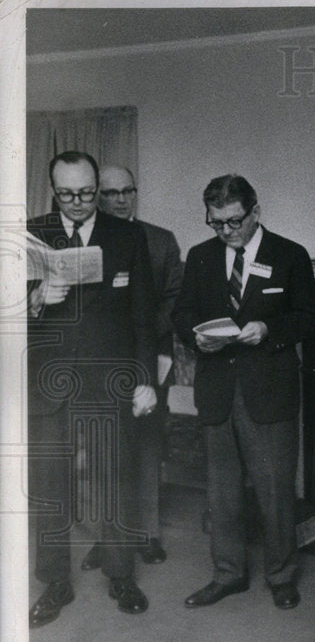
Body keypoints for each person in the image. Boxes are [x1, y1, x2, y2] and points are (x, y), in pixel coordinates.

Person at [172, 175, 315, 610]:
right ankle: (228, 574)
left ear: (256, 212)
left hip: (268, 388)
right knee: (222, 491)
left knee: (275, 489)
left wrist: (268, 329)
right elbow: (182, 313)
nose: (226, 232)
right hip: (217, 387)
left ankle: (282, 575)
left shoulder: (290, 255)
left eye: (234, 222)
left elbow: (308, 317)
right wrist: (197, 337)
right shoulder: (200, 257)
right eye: (216, 223)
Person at [26, 151, 158, 627]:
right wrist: (38, 299)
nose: (78, 202)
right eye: (67, 194)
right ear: (53, 189)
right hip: (48, 381)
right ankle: (55, 583)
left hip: (108, 380)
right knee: (50, 487)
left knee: (113, 479)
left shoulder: (127, 235)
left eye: (86, 193)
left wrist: (145, 379)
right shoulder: (31, 233)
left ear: (98, 187)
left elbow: (144, 314)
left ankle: (122, 575)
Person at [75, 164, 183, 568]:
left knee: (147, 444)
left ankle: (148, 533)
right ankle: (108, 538)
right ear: (98, 196)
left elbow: (175, 297)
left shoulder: (160, 240)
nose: (120, 199)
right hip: (99, 365)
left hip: (151, 355)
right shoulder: (87, 243)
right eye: (110, 193)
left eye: (127, 191)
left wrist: (136, 334)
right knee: (102, 449)